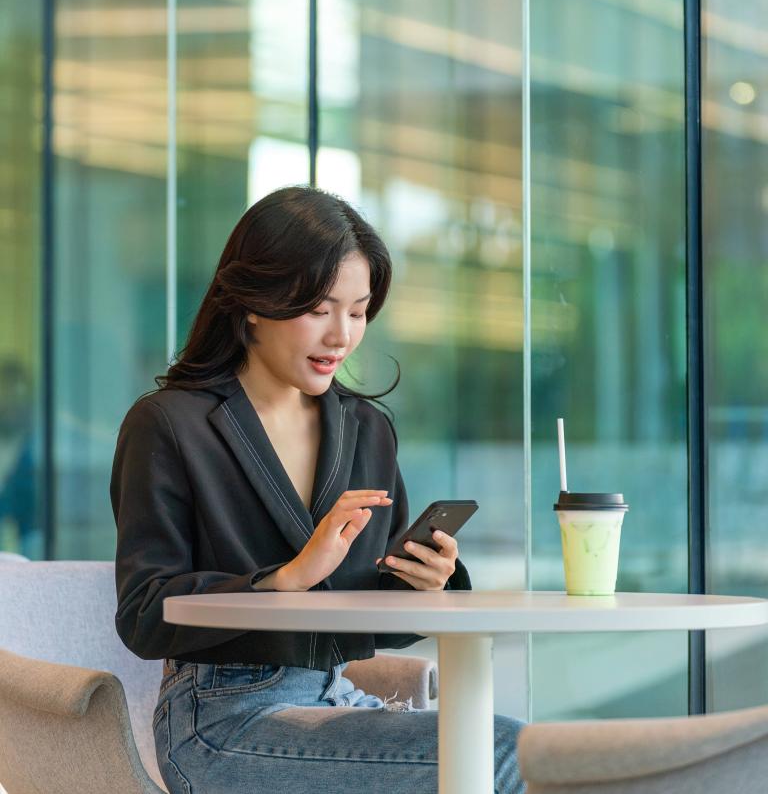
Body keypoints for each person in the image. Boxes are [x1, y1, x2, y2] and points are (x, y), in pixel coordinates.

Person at [110, 185, 525, 794]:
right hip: (219, 720)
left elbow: (369, 627)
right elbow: (144, 617)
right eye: (320, 309)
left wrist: (428, 582)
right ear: (253, 301)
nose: (342, 336)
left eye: (358, 312)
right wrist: (285, 578)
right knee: (505, 753)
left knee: (530, 751)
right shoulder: (169, 424)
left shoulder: (366, 429)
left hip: (339, 696)